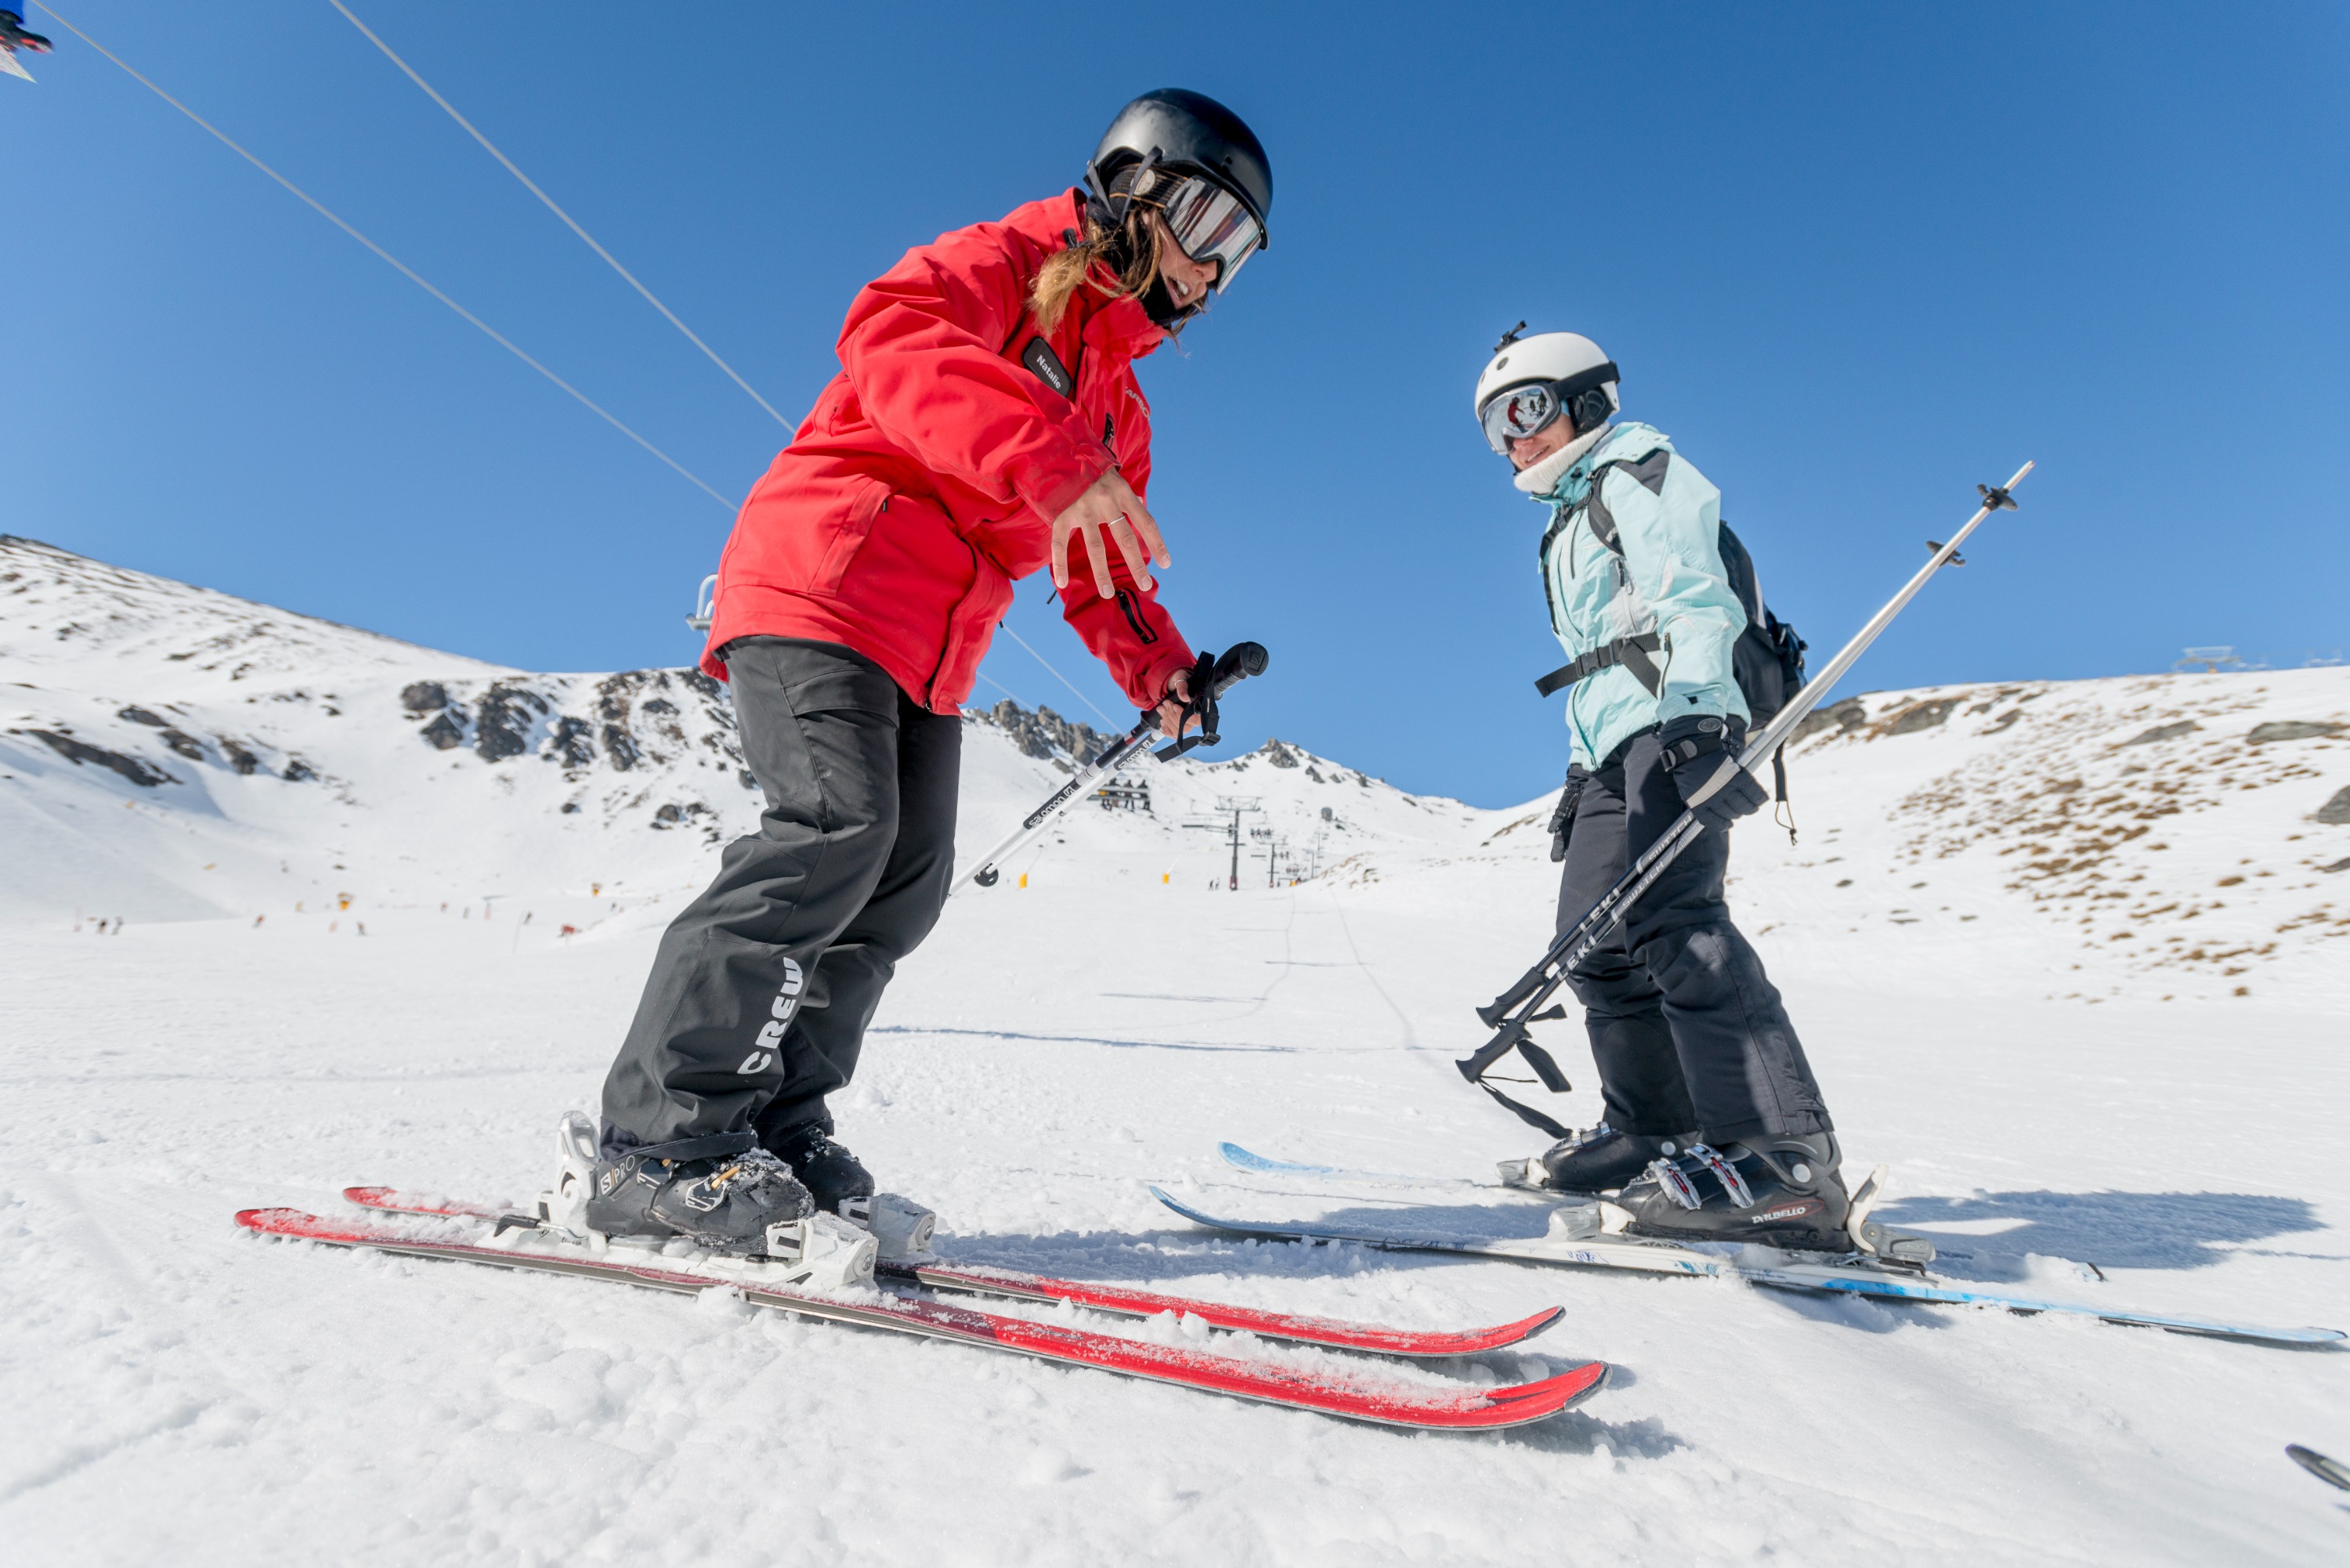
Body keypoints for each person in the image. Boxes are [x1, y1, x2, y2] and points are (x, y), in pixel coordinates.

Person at [582, 90, 1274, 1255]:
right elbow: (890, 338)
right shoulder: (1008, 260)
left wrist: (1159, 670)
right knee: (829, 832)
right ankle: (657, 1144)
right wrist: (1052, 458)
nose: (1212, 270)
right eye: (1206, 222)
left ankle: (776, 1128)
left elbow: (1096, 568)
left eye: (1242, 252)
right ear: (1134, 183)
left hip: (930, 649)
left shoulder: (1120, 401)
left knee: (899, 885)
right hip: (824, 580)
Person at [1472, 328, 1850, 1252]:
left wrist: (1701, 717)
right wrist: (1576, 773)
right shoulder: (1565, 521)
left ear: (1585, 399)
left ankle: (1783, 1158)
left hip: (1673, 719)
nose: (1511, 439)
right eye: (1493, 427)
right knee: (1593, 942)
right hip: (1611, 745)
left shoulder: (1635, 470)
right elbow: (1596, 664)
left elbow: (1695, 597)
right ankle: (1655, 1129)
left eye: (1523, 410)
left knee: (1676, 923)